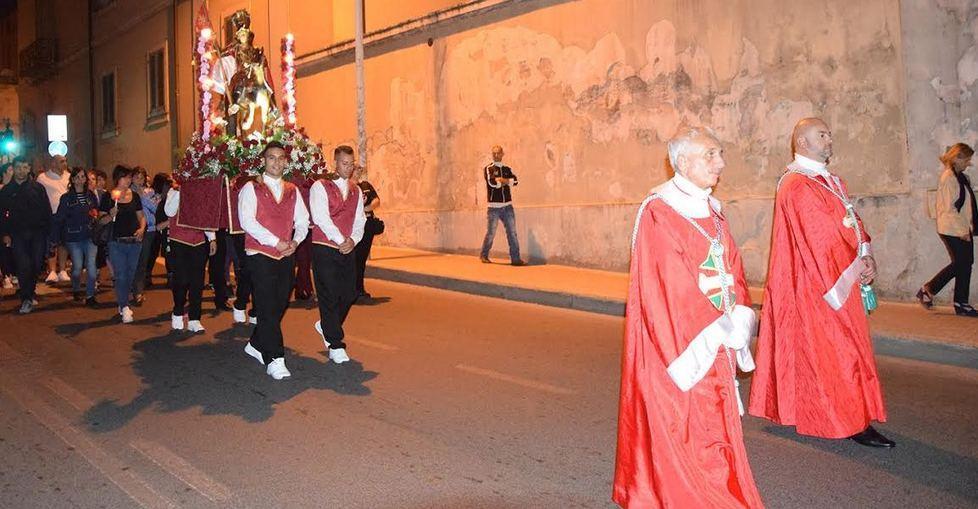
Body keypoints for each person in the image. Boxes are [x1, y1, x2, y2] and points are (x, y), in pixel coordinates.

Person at [613, 127, 762, 508]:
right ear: (683, 162)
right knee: (684, 422)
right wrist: (716, 327)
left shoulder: (713, 210)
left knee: (715, 420)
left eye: (721, 153)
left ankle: (719, 488)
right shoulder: (659, 212)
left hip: (717, 332)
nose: (721, 163)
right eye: (711, 155)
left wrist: (741, 315)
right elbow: (666, 286)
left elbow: (732, 268)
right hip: (680, 341)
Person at [749, 118, 893, 448]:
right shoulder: (797, 185)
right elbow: (820, 239)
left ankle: (848, 413)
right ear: (802, 143)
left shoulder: (829, 180)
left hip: (839, 275)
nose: (830, 140)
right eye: (822, 135)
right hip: (819, 286)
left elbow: (850, 222)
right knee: (840, 352)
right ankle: (854, 421)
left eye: (829, 133)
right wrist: (855, 265)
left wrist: (866, 252)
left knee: (839, 351)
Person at [239, 141, 309, 380]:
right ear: (264, 160)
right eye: (271, 157)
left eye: (280, 158)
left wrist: (295, 242)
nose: (276, 162)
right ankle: (274, 358)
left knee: (280, 304)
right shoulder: (251, 188)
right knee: (268, 306)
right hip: (260, 254)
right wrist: (275, 241)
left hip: (286, 254)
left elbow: (302, 221)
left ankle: (256, 344)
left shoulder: (292, 190)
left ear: (286, 161)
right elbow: (247, 221)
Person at [309, 145, 366, 365]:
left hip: (347, 247)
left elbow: (360, 219)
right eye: (344, 163)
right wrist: (341, 240)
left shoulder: (356, 190)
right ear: (335, 162)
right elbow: (321, 217)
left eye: (351, 164)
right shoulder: (320, 187)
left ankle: (326, 325)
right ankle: (335, 344)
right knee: (329, 295)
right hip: (325, 246)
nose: (348, 168)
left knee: (350, 293)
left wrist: (353, 240)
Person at [917, 143, 978, 315]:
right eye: (966, 160)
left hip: (960, 227)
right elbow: (949, 209)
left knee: (965, 264)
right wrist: (962, 232)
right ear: (957, 158)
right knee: (961, 264)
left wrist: (968, 227)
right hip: (952, 228)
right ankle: (929, 290)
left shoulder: (959, 177)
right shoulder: (949, 178)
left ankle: (960, 303)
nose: (968, 164)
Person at [0, 157, 52, 314]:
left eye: (24, 167)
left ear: (29, 168)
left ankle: (31, 290)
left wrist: (49, 234)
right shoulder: (6, 191)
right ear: (13, 169)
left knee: (36, 264)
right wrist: (5, 234)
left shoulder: (38, 188)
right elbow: (2, 215)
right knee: (23, 265)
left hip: (38, 233)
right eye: (18, 167)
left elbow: (46, 211)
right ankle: (26, 298)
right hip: (17, 234)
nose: (21, 170)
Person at [164, 184, 216, 332]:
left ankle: (194, 318)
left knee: (197, 282)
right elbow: (169, 211)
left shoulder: (202, 190)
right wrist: (182, 190)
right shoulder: (174, 190)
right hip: (179, 240)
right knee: (181, 280)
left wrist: (211, 238)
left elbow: (206, 215)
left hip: (198, 240)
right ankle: (178, 311)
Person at [97, 165, 146, 324]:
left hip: (134, 242)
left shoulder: (135, 196)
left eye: (130, 177)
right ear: (118, 178)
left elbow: (141, 216)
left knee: (130, 274)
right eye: (126, 177)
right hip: (116, 242)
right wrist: (111, 215)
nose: (128, 180)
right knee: (121, 275)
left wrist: (142, 228)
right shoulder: (108, 197)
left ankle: (122, 301)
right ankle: (124, 306)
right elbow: (101, 220)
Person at [50, 167, 100, 306]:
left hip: (90, 235)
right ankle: (76, 288)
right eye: (77, 177)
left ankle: (90, 296)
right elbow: (59, 218)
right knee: (77, 267)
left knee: (91, 266)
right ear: (72, 179)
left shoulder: (90, 196)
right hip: (73, 236)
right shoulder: (66, 198)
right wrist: (54, 238)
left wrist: (95, 218)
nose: (80, 180)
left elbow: (96, 212)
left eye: (83, 177)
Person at [479, 145, 525, 266]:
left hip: (508, 207)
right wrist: (505, 182)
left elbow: (515, 181)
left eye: (498, 153)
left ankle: (515, 259)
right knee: (491, 233)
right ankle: (484, 255)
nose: (495, 155)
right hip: (494, 208)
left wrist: (503, 180)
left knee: (512, 233)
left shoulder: (507, 169)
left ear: (502, 154)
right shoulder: (488, 169)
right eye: (493, 153)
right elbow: (493, 183)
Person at [36, 155, 71, 283]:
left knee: (64, 242)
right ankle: (51, 271)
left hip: (66, 214)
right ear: (53, 164)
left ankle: (62, 270)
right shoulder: (43, 178)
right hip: (51, 214)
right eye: (62, 161)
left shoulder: (68, 176)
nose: (65, 164)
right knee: (52, 243)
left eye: (65, 161)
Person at [130, 167, 161, 305]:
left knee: (143, 261)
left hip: (149, 229)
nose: (139, 180)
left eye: (142, 177)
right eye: (136, 177)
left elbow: (156, 208)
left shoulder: (150, 192)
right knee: (132, 261)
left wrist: (142, 196)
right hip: (133, 229)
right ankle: (130, 289)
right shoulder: (127, 192)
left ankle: (138, 291)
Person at [354, 167, 381, 302]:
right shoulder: (348, 187)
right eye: (355, 169)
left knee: (361, 259)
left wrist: (368, 208)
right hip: (354, 227)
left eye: (359, 169)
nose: (358, 171)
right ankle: (352, 289)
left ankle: (359, 289)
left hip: (368, 225)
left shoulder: (365, 186)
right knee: (353, 259)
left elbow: (376, 200)